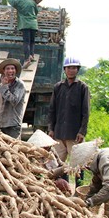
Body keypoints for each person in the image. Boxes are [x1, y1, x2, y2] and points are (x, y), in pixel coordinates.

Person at [47, 57, 90, 187]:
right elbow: (52, 110)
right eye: (69, 68)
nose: (71, 70)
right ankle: (62, 188)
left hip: (74, 133)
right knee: (58, 163)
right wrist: (51, 129)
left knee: (78, 164)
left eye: (74, 68)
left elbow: (86, 111)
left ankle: (79, 189)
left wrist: (82, 131)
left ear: (77, 70)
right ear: (65, 70)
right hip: (59, 133)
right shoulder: (58, 87)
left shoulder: (83, 87)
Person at [0, 58, 25, 139]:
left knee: (13, 149)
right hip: (1, 124)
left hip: (13, 125)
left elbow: (14, 100)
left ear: (15, 71)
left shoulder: (20, 85)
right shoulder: (2, 85)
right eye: (8, 69)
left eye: (12, 68)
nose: (10, 71)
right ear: (4, 71)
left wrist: (4, 88)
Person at [9, 0, 40, 68]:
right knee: (32, 42)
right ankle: (31, 55)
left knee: (26, 42)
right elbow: (36, 11)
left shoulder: (17, 2)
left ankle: (27, 59)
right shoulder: (32, 2)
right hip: (34, 24)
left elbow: (9, 0)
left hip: (25, 24)